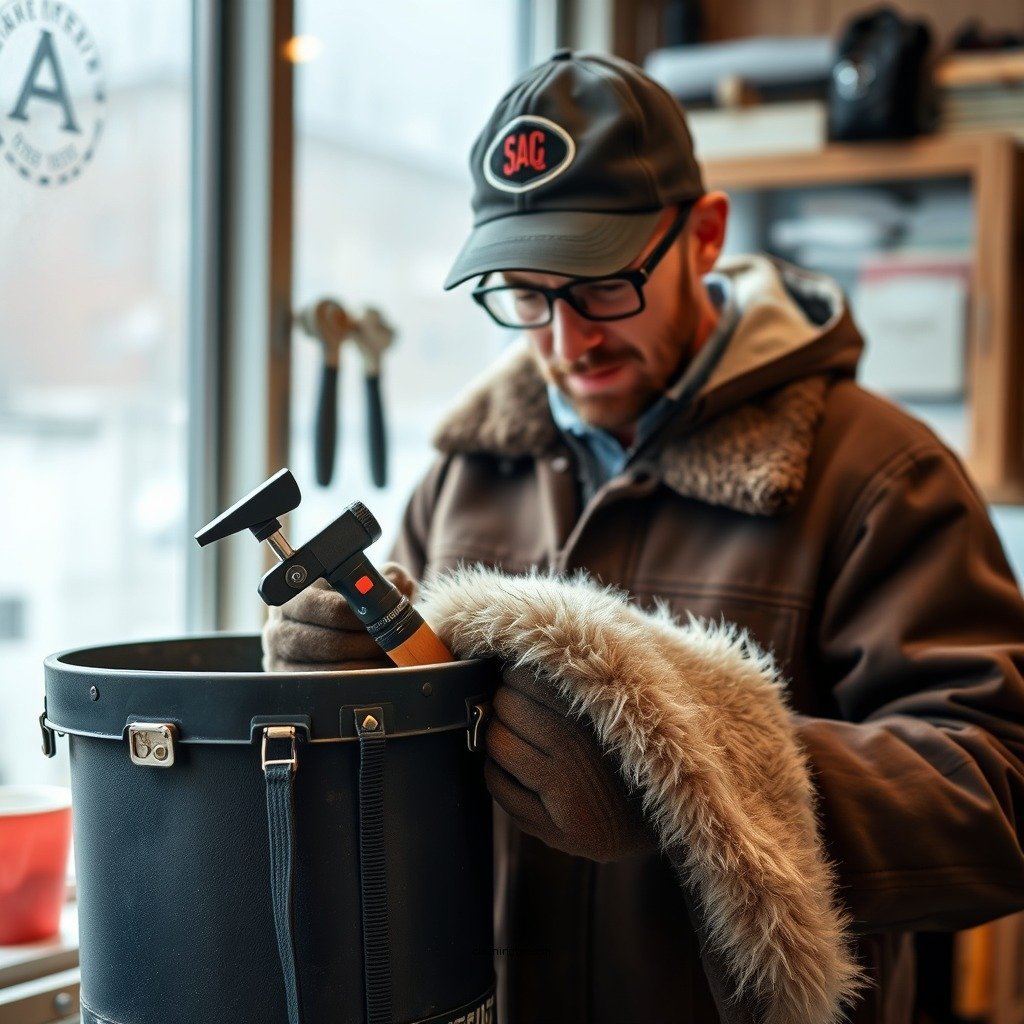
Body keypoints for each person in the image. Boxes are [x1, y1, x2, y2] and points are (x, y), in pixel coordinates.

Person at [265, 50, 1024, 1023]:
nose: (567, 341)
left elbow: (996, 791)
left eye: (600, 285)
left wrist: (689, 783)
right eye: (525, 296)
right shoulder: (462, 473)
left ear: (703, 237)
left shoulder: (879, 476)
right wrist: (341, 689)